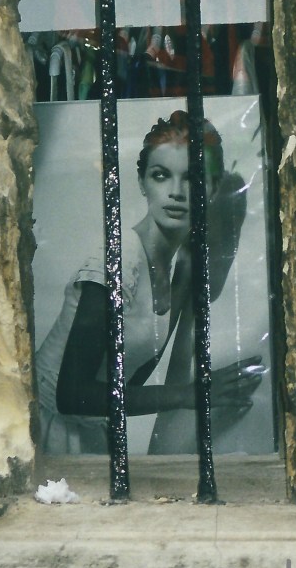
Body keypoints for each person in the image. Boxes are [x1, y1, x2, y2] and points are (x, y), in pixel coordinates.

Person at [35, 110, 263, 454]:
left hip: (94, 433)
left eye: (192, 178)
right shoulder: (118, 261)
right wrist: (190, 395)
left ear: (213, 189)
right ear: (143, 183)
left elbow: (129, 379)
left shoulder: (177, 269)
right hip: (45, 430)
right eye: (161, 176)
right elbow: (72, 395)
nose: (176, 192)